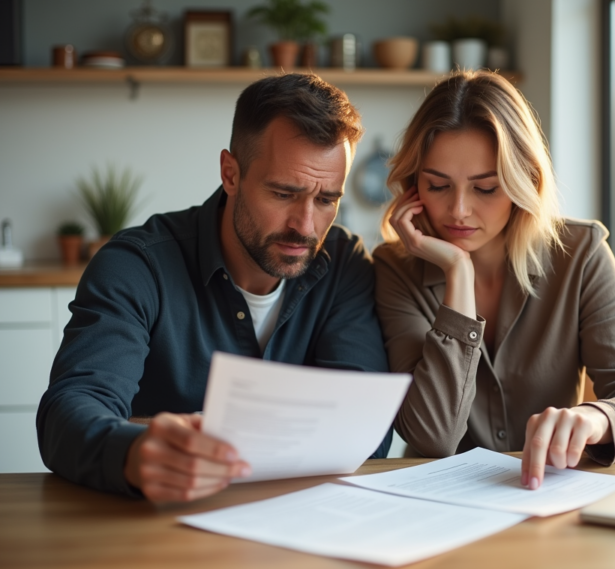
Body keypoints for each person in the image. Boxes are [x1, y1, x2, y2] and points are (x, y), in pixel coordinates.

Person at [38, 73, 391, 502]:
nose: (305, 226)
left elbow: (367, 429)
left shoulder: (344, 264)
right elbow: (68, 414)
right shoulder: (137, 265)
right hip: (159, 524)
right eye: (283, 194)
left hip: (304, 522)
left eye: (326, 200)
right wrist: (133, 452)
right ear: (230, 174)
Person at [374, 70, 615, 490]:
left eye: (486, 188)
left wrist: (595, 418)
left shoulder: (580, 254)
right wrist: (458, 271)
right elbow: (432, 436)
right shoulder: (394, 269)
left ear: (523, 181)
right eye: (438, 185)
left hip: (550, 495)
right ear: (413, 185)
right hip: (441, 502)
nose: (458, 210)